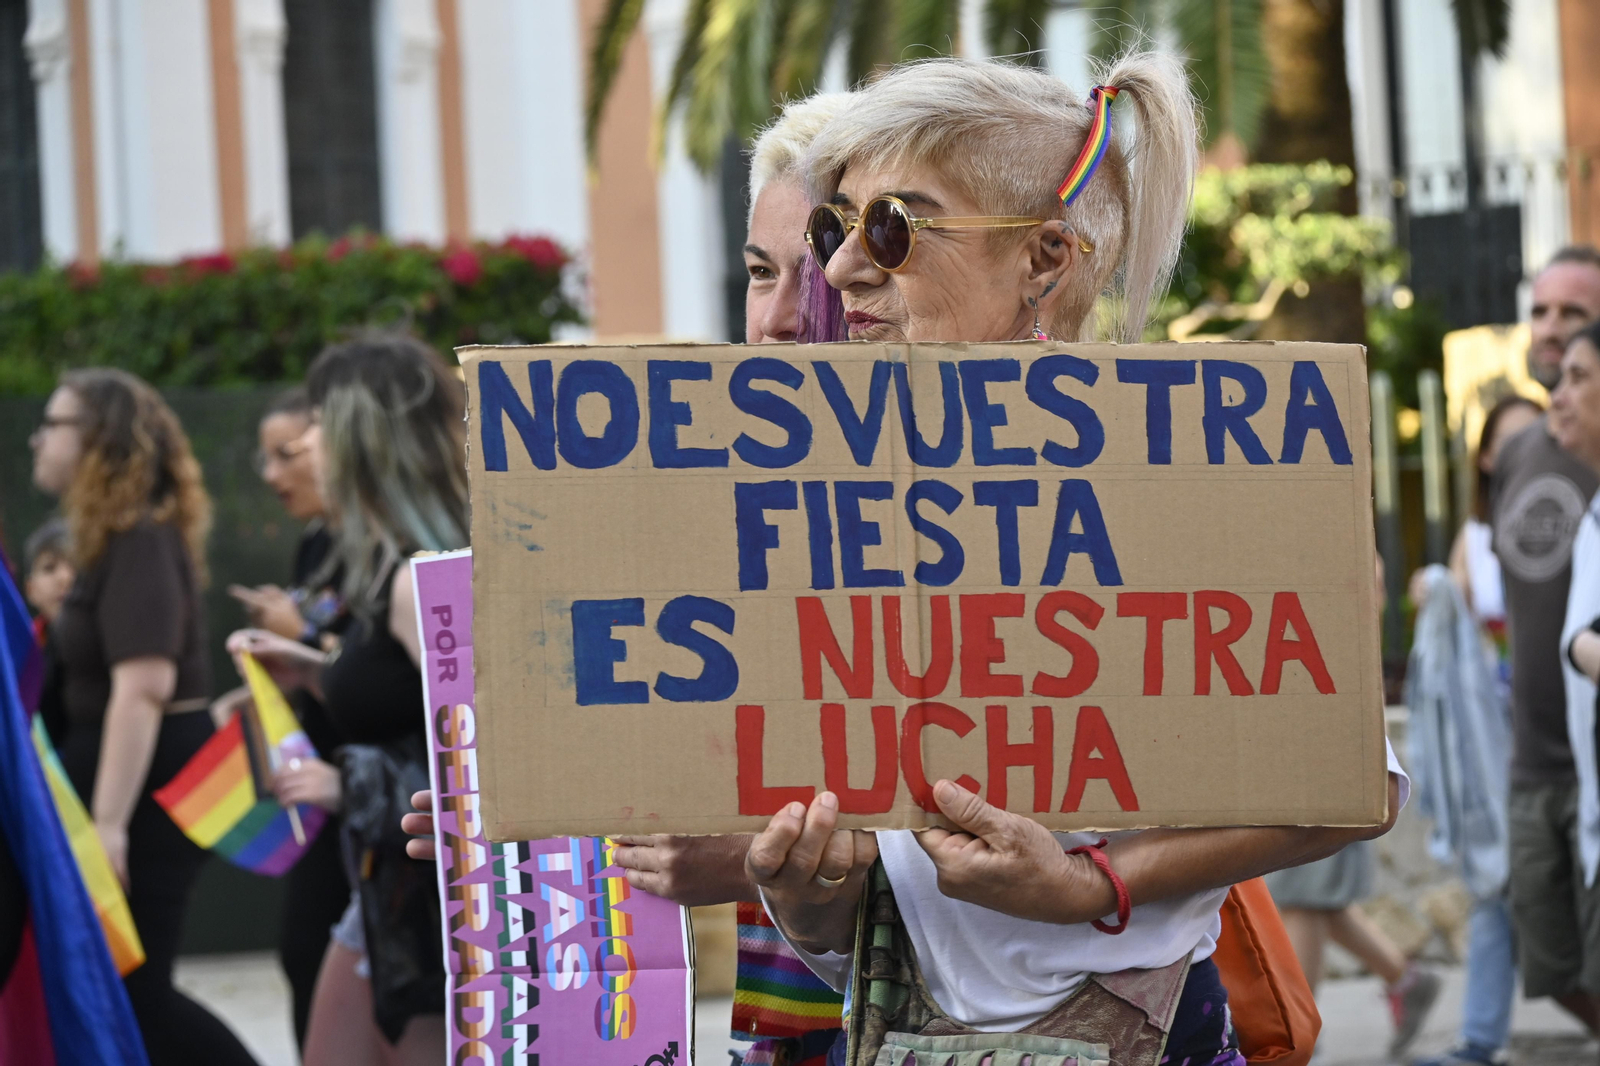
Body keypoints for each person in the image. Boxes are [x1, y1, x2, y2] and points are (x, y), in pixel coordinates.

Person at [229, 332, 467, 1066]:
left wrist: (347, 781)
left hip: (436, 918)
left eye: (318, 424)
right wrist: (317, 668)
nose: (305, 442)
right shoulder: (398, 567)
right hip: (395, 897)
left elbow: (488, 762)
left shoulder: (416, 580)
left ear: (363, 437)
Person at [28, 369, 260, 1066]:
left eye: (56, 422)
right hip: (117, 778)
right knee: (118, 985)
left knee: (135, 990)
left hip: (145, 789)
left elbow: (143, 690)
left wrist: (109, 824)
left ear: (97, 439)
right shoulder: (108, 540)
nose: (39, 437)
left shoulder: (140, 537)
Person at [1408, 395, 1542, 1066]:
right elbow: (1451, 609)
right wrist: (1430, 590)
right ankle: (1479, 1039)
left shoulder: (1571, 523)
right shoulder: (1477, 537)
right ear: (1485, 456)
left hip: (1561, 735)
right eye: (1507, 442)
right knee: (1493, 882)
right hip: (1495, 739)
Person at [1490, 247, 1600, 1034]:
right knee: (1551, 965)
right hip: (1534, 762)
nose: (1551, 329)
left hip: (1594, 761)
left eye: (1574, 314)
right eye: (1541, 311)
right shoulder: (1522, 449)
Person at [1264, 580, 1439, 1061]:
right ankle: (1404, 980)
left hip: (1322, 741)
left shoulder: (1334, 542)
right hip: (1313, 735)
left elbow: (1353, 616)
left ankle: (1299, 1031)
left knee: (1305, 896)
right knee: (1319, 899)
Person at [228, 387, 352, 1050]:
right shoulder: (316, 542)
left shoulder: (384, 543)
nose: (275, 475)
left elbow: (402, 676)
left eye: (290, 454)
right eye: (266, 459)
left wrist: (303, 633)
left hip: (378, 791)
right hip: (325, 786)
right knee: (306, 954)